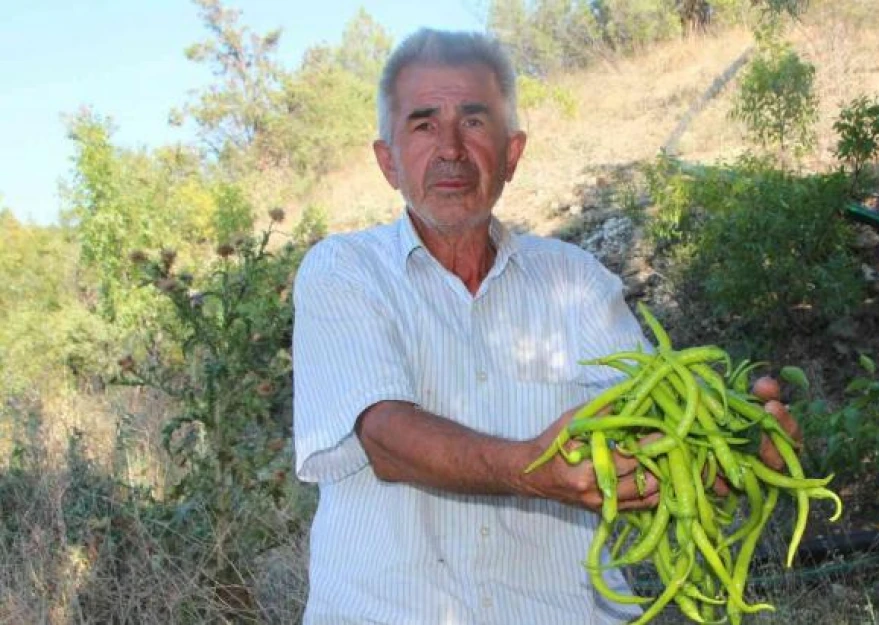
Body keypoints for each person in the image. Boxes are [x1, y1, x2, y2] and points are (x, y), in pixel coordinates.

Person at [292, 28, 796, 625]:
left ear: (512, 154)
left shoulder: (576, 280)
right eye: (423, 124)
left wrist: (733, 453)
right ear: (387, 162)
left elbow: (652, 445)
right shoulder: (344, 270)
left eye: (475, 123)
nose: (451, 148)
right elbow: (386, 439)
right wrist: (532, 467)